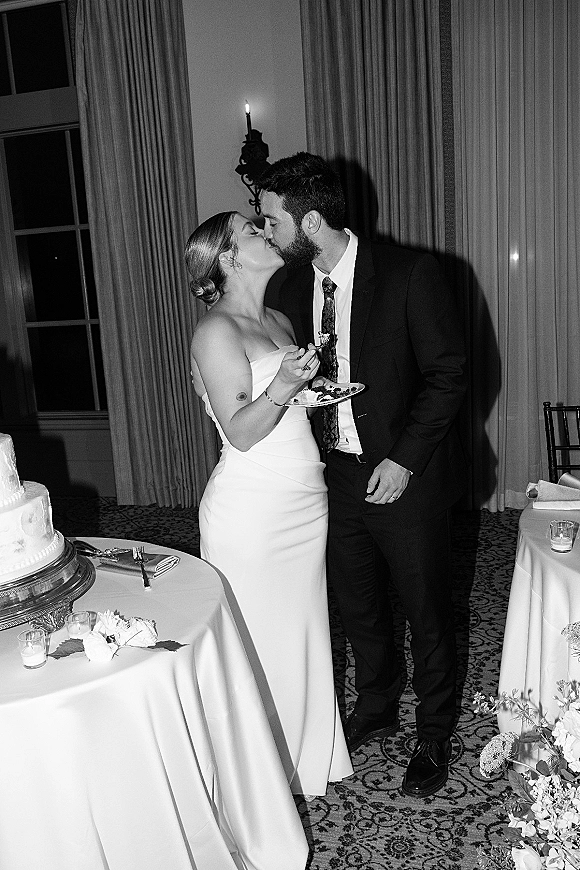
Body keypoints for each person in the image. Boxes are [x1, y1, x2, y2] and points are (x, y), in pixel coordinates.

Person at [258, 153, 468, 798]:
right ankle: (376, 702)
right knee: (358, 603)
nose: (263, 230)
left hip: (407, 474)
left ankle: (435, 730)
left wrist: (403, 459)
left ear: (311, 220)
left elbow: (449, 375)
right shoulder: (291, 290)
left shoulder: (410, 274)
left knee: (426, 605)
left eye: (269, 219)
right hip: (336, 476)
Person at [184, 211, 353, 798]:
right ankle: (255, 782)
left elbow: (289, 408)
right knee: (256, 643)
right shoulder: (215, 331)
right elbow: (242, 430)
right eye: (253, 229)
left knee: (302, 632)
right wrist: (283, 386)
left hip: (305, 502)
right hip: (252, 515)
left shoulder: (281, 320)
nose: (266, 232)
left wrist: (310, 389)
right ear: (228, 257)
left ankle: (304, 761)